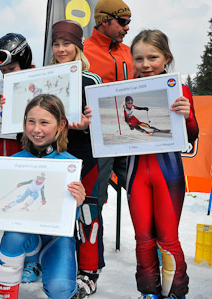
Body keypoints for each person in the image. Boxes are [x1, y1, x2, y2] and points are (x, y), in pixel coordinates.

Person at [0, 94, 86, 299]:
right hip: (24, 236)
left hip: (55, 239)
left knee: (60, 290)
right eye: (31, 122)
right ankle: (6, 287)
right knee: (15, 236)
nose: (36, 129)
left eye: (44, 122)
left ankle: (42, 262)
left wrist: (78, 201)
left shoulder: (70, 165)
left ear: (61, 124)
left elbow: (69, 218)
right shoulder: (13, 162)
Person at [127, 29, 198, 299]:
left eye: (152, 57)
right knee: (143, 239)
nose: (145, 64)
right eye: (139, 59)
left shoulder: (180, 90)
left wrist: (187, 116)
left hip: (168, 172)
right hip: (136, 173)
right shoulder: (126, 91)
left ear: (166, 57)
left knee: (168, 238)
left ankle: (175, 292)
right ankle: (149, 291)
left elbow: (191, 135)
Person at [81, 0, 133, 291]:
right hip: (97, 140)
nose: (127, 28)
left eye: (129, 22)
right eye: (123, 22)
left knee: (143, 193)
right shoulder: (84, 51)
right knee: (93, 202)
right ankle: (90, 269)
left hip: (130, 139)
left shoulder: (129, 52)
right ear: (104, 21)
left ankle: (156, 261)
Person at [49, 20, 103, 297]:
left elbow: (102, 120)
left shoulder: (90, 79)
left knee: (86, 212)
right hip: (54, 157)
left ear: (78, 47)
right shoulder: (45, 79)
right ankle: (60, 266)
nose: (61, 49)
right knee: (58, 211)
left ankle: (89, 270)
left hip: (85, 156)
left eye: (67, 44)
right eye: (56, 44)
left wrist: (87, 124)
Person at [0, 33, 44, 283]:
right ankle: (12, 258)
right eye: (2, 71)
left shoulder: (40, 81)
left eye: (11, 68)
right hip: (8, 149)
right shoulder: (2, 86)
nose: (6, 74)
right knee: (11, 204)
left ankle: (33, 259)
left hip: (33, 153)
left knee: (31, 209)